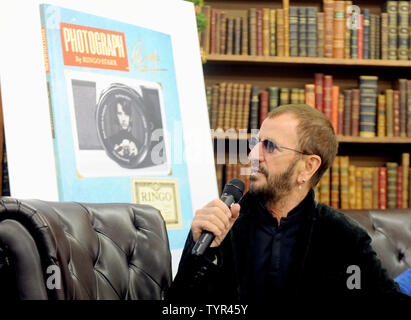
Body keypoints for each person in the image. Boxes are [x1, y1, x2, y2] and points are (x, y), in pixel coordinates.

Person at [167, 104, 410, 303]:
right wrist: (201, 257)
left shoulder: (344, 237)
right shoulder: (220, 224)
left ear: (308, 166)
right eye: (256, 143)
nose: (253, 155)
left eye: (269, 146)